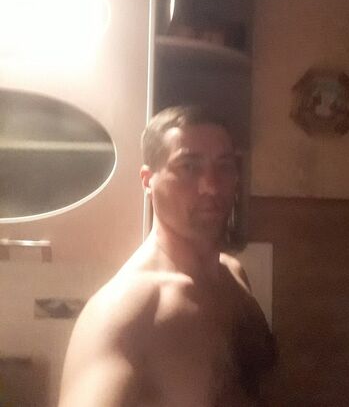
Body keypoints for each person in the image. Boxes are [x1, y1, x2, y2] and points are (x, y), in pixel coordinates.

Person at [58, 105, 275, 407]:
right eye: (189, 167)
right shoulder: (127, 312)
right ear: (147, 180)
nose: (211, 186)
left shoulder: (234, 276)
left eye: (224, 166)